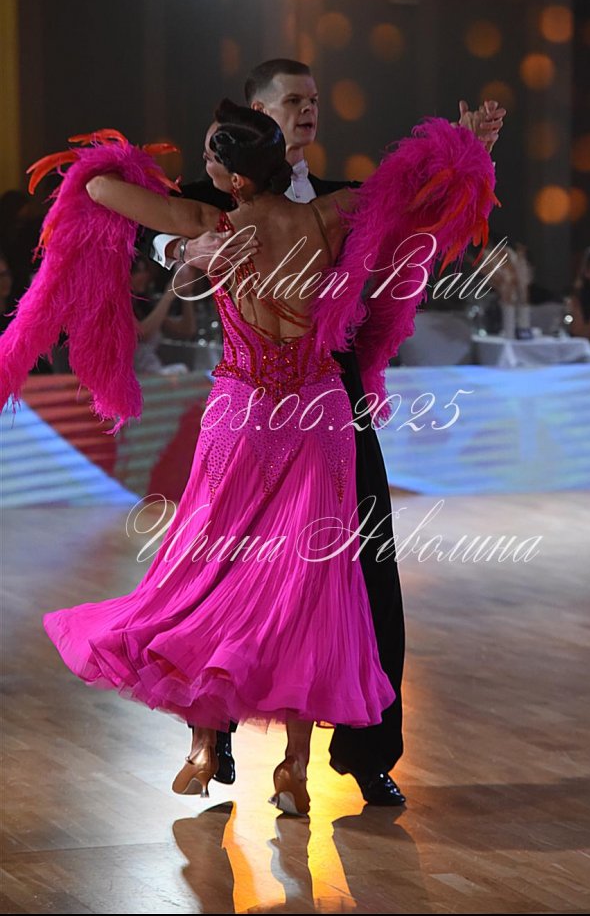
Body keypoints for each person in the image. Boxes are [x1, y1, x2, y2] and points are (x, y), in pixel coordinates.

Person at [31, 98, 497, 817]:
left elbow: (97, 189)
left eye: (210, 161)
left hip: (243, 414)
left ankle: (203, 747)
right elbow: (419, 197)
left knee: (209, 570)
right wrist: (468, 147)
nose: (204, 170)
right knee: (311, 584)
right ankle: (295, 769)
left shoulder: (213, 224)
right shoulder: (332, 215)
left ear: (237, 178)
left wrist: (171, 231)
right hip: (320, 414)